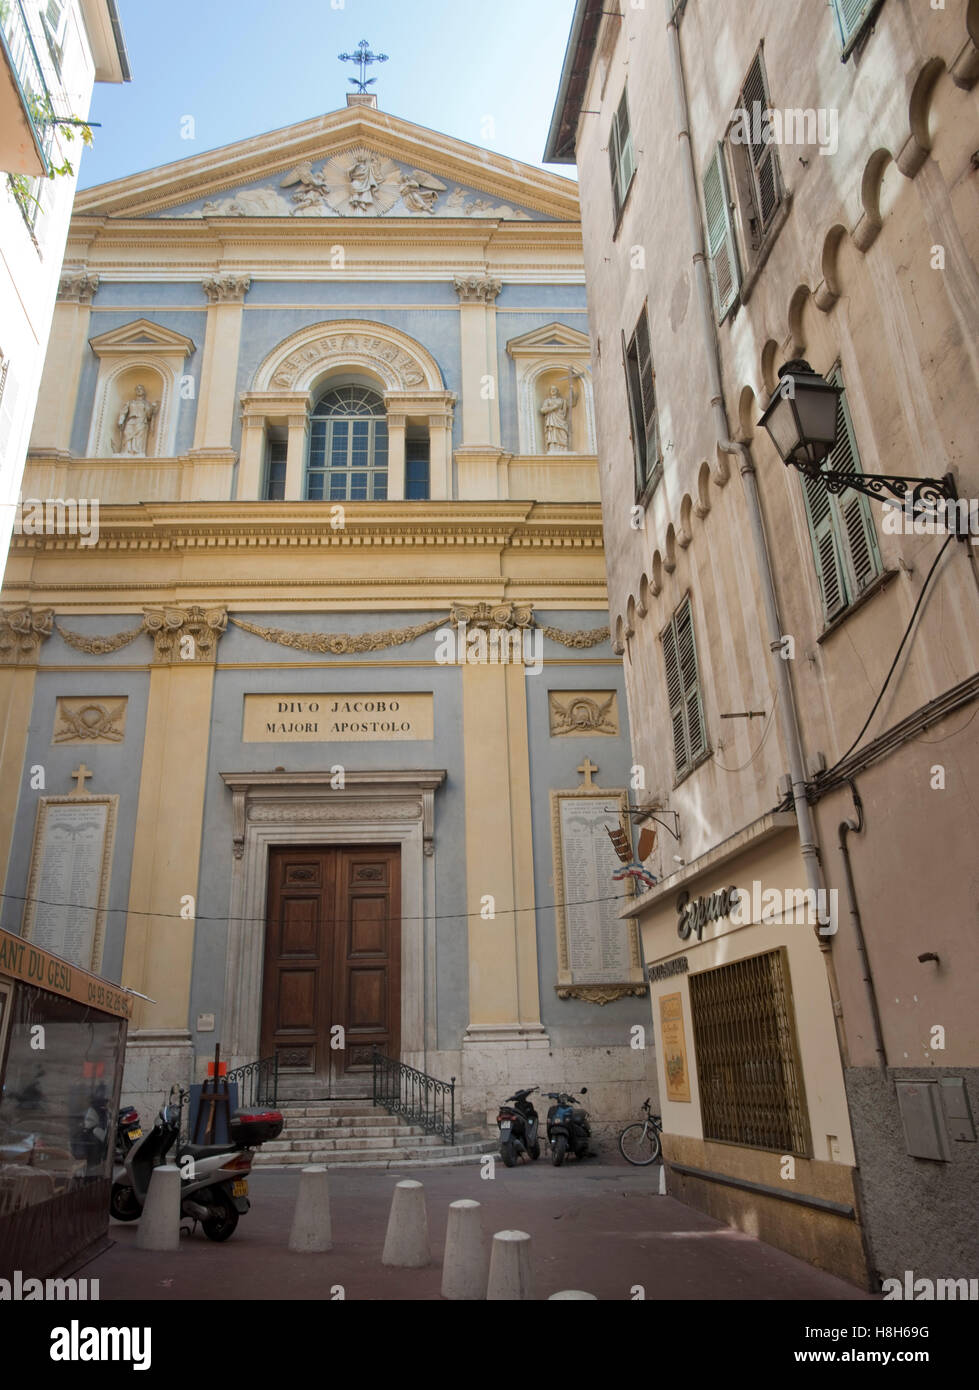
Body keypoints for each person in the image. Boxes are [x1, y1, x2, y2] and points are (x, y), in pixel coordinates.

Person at [117, 384, 158, 456]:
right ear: (135, 391)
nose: (139, 390)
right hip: (131, 421)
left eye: (141, 389)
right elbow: (123, 412)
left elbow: (149, 416)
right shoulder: (130, 402)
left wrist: (153, 409)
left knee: (139, 438)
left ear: (143, 392)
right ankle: (127, 451)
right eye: (137, 389)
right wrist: (121, 420)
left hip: (141, 421)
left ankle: (137, 452)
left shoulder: (146, 403)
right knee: (127, 434)